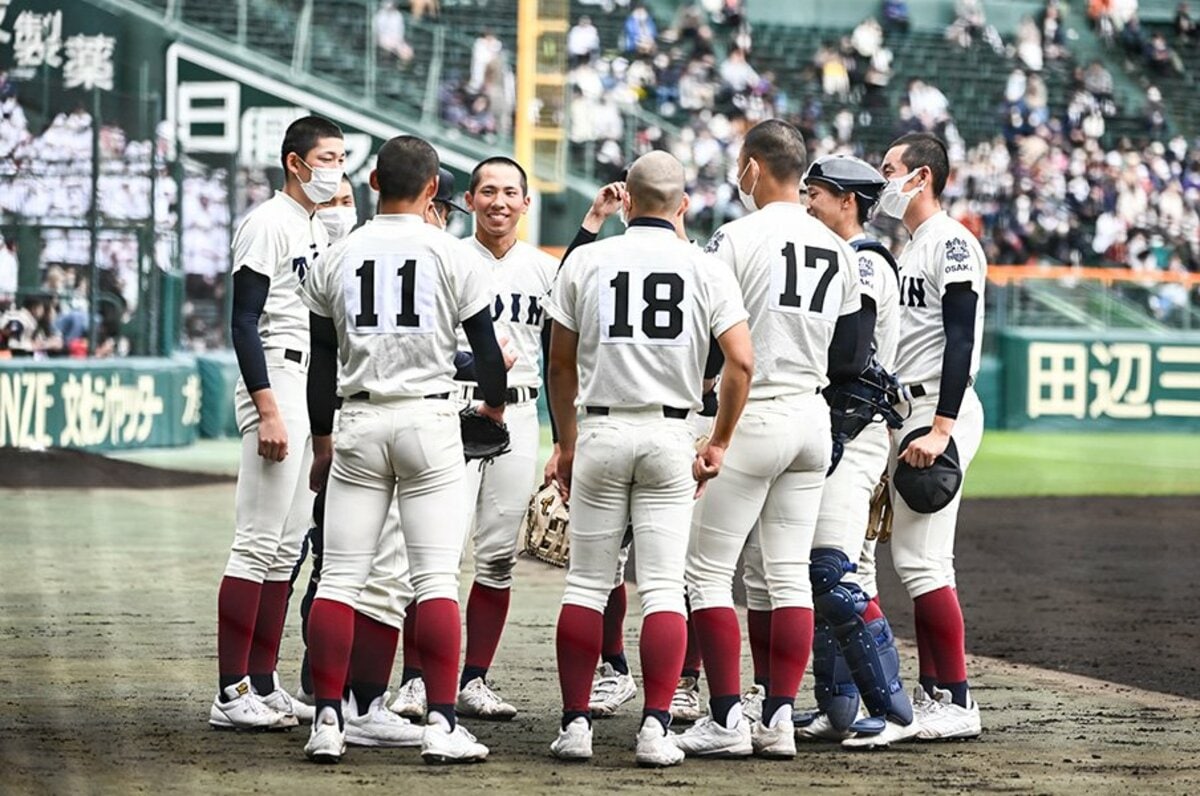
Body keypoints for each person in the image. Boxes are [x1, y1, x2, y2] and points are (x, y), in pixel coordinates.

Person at [299, 135, 508, 765]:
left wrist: (322, 442)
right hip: (429, 421)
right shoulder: (450, 252)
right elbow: (491, 360)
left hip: (358, 420)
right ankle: (441, 724)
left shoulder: (338, 253)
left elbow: (320, 365)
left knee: (340, 578)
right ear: (433, 187)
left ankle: (329, 721)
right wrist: (492, 406)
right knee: (436, 579)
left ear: (371, 183)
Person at [545, 150, 753, 767]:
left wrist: (565, 441)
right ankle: (657, 728)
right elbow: (740, 362)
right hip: (670, 434)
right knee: (664, 588)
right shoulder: (704, 265)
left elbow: (557, 363)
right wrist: (718, 440)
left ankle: (576, 725)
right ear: (682, 205)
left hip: (603, 429)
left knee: (586, 584)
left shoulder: (586, 259)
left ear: (627, 203)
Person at [673, 120, 870, 761]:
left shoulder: (735, 234)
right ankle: (778, 717)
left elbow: (707, 333)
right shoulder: (839, 247)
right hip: (811, 416)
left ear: (754, 166)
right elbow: (849, 354)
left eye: (741, 164)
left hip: (751, 412)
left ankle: (728, 717)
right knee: (785, 577)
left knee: (706, 573)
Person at [211, 115, 343, 732]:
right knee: (257, 541)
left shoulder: (313, 222)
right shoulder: (266, 222)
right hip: (275, 374)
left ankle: (262, 682)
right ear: (296, 162)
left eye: (341, 157)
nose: (335, 167)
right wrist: (265, 404)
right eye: (327, 156)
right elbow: (243, 320)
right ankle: (230, 689)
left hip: (305, 376)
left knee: (286, 546)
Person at [793, 153, 918, 748]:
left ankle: (892, 709)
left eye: (815, 192)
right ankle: (836, 706)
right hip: (832, 428)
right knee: (825, 571)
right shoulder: (831, 259)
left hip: (858, 427)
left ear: (848, 201)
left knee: (832, 570)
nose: (806, 201)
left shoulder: (864, 262)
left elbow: (848, 358)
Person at [877, 131, 986, 740]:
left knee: (923, 562)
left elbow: (962, 337)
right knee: (916, 560)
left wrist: (941, 426)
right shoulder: (914, 245)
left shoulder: (952, 243)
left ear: (920, 177)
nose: (883, 178)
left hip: (936, 413)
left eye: (891, 168)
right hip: (908, 410)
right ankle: (936, 690)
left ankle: (957, 697)